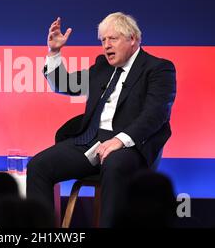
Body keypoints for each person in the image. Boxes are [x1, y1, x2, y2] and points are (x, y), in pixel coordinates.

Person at [27, 12, 176, 227]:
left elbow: (157, 113)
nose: (106, 45)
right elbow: (64, 84)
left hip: (130, 146)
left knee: (114, 165)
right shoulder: (102, 67)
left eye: (112, 39)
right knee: (38, 166)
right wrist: (54, 52)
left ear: (132, 39)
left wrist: (120, 140)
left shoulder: (158, 68)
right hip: (91, 142)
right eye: (103, 40)